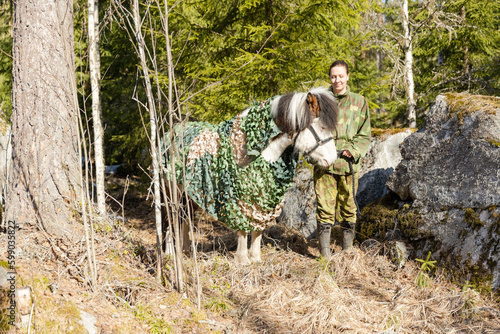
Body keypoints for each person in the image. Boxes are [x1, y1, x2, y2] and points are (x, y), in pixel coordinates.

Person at [315, 60, 371, 257]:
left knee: (349, 209)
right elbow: (310, 131)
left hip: (348, 166)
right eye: (333, 76)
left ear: (347, 76)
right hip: (324, 165)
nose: (337, 80)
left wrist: (353, 150)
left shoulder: (359, 102)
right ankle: (325, 257)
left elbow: (364, 134)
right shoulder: (320, 101)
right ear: (329, 78)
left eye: (340, 76)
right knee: (324, 210)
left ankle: (347, 254)